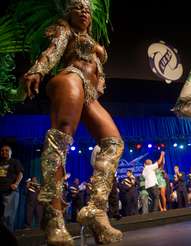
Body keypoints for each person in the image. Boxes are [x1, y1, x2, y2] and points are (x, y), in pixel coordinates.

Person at [22, 0, 124, 244]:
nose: (84, 12)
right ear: (68, 13)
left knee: (113, 143)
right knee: (61, 137)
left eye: (87, 9)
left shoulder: (92, 39)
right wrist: (38, 69)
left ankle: (96, 211)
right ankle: (54, 216)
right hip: (71, 78)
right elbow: (54, 50)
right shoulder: (64, 30)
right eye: (78, 8)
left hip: (89, 91)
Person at [0, 145, 23, 232]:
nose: (4, 152)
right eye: (2, 150)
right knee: (2, 216)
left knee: (8, 216)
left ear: (11, 152)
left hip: (10, 192)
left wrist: (16, 184)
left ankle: (9, 238)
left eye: (6, 150)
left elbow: (20, 174)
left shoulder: (14, 162)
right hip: (1, 192)